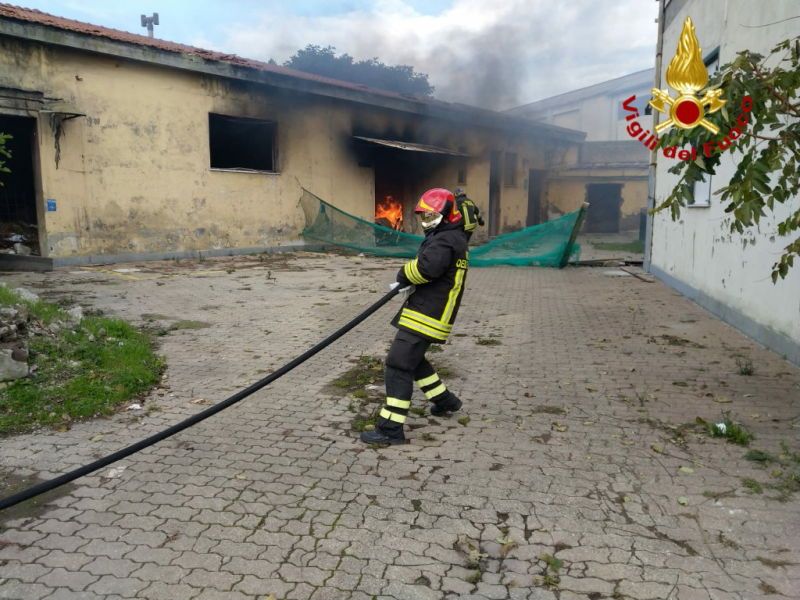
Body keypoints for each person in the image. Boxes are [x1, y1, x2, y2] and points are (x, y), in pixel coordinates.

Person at [360, 188, 469, 445]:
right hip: (431, 312)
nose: (426, 221)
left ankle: (390, 429)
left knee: (398, 365)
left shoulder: (445, 241)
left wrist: (403, 274)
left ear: (446, 214)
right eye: (423, 216)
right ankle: (445, 401)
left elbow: (426, 268)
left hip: (426, 315)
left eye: (431, 215)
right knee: (415, 361)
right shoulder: (453, 237)